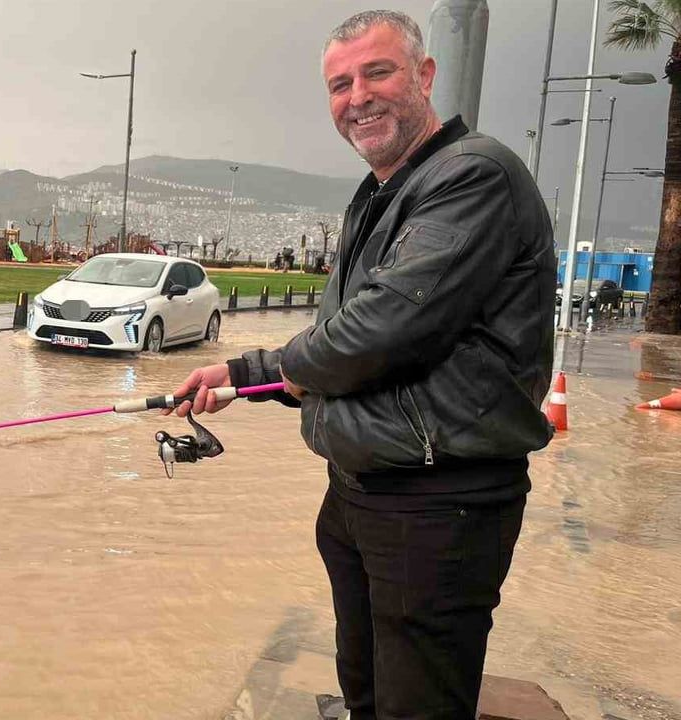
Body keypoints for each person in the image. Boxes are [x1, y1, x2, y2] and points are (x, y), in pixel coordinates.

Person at [167, 10, 555, 720]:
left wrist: (256, 370)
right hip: (363, 492)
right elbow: (346, 341)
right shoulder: (383, 195)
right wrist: (241, 376)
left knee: (416, 701)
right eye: (339, 84)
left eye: (378, 72)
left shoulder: (473, 176)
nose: (358, 97)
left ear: (426, 75)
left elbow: (378, 335)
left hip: (437, 502)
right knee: (367, 689)